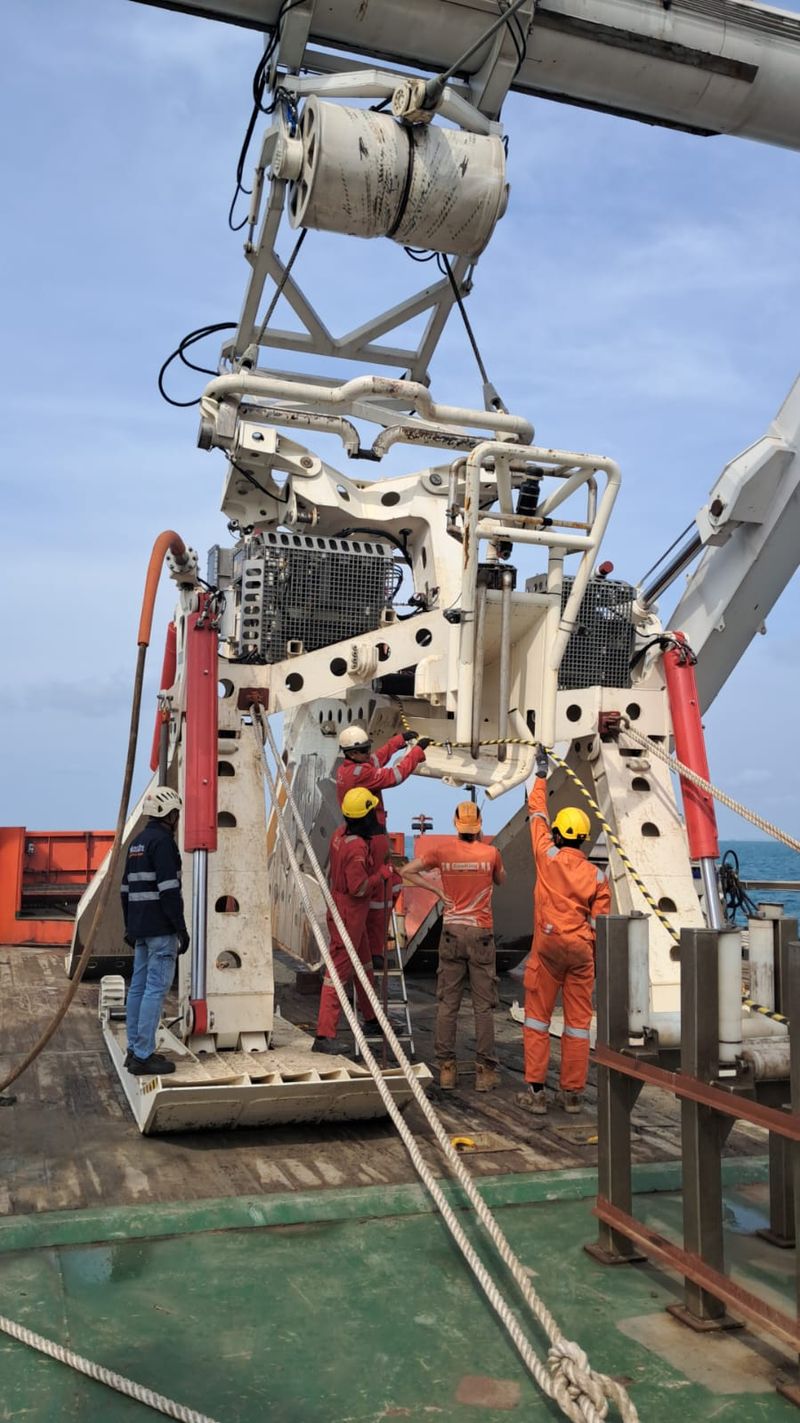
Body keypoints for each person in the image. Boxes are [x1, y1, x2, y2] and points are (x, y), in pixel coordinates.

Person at [518, 746, 611, 1115]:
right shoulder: (597, 875)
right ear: (584, 839)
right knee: (576, 1026)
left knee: (538, 1019)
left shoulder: (547, 856)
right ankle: (572, 1095)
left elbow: (537, 814)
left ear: (558, 835)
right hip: (582, 953)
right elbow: (599, 924)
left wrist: (540, 775)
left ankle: (536, 1092)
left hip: (549, 949)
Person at [402, 801, 506, 1093]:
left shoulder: (442, 852)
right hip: (481, 934)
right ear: (479, 824)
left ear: (455, 823)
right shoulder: (491, 853)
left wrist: (436, 889)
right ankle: (484, 1073)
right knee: (483, 1007)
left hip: (451, 933)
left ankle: (447, 1070)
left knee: (448, 1004)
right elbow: (501, 880)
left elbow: (406, 871)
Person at [314, 787, 399, 1053]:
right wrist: (383, 873)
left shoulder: (341, 835)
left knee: (363, 966)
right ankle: (324, 1036)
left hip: (350, 911)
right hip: (350, 912)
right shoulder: (358, 849)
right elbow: (359, 887)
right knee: (337, 975)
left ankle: (371, 1019)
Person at [336, 724, 430, 965]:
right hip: (372, 834)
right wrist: (416, 753)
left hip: (365, 832)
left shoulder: (351, 769)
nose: (369, 753)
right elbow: (394, 776)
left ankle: (368, 951)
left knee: (383, 891)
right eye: (364, 750)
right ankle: (374, 953)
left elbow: (376, 760)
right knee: (385, 890)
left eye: (368, 748)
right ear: (351, 753)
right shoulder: (361, 774)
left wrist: (398, 741)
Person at [121, 786, 190, 1077]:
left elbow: (125, 890)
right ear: (168, 814)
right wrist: (181, 929)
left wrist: (130, 926)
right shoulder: (162, 843)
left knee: (137, 988)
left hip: (140, 929)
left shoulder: (136, 843)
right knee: (154, 990)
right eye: (176, 813)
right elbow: (169, 890)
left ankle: (134, 1048)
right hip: (161, 930)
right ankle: (143, 1055)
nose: (177, 818)